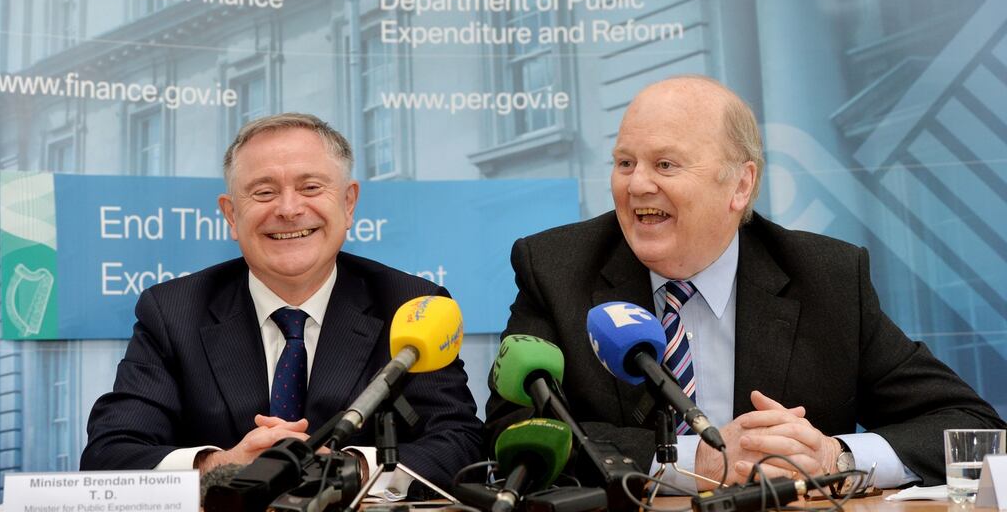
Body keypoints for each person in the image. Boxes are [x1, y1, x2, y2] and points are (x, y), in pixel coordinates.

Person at [484, 76, 1004, 491]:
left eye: (665, 164)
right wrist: (699, 460)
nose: (637, 183)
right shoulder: (556, 267)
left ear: (740, 184)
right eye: (625, 163)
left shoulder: (827, 276)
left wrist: (833, 455)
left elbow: (971, 427)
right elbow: (514, 430)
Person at [82, 113, 482, 491]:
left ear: (348, 203)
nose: (289, 209)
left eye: (310, 188)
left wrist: (350, 469)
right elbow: (110, 454)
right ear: (231, 215)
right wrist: (220, 467)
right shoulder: (173, 312)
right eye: (264, 192)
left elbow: (460, 443)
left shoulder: (410, 306)